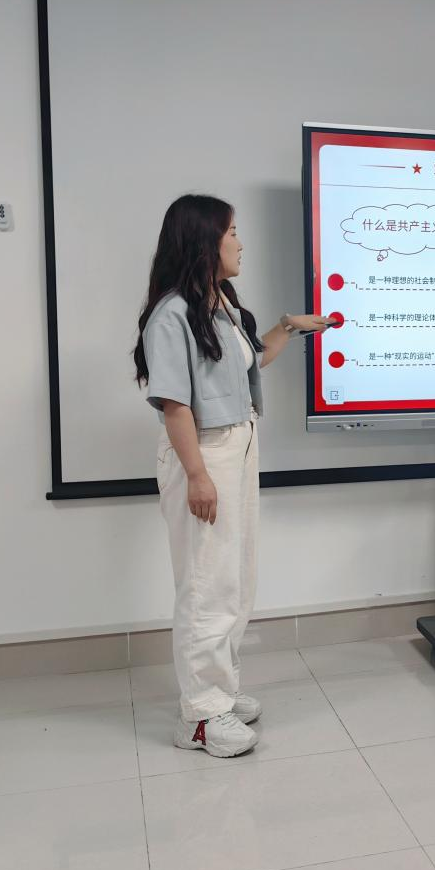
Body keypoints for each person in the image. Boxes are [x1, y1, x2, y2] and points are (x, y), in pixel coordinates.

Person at [132, 194, 331, 757]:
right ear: (203, 241)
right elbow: (175, 404)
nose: (241, 244)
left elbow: (247, 362)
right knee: (206, 586)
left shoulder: (218, 305)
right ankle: (200, 716)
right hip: (204, 454)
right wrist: (198, 476)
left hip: (238, 445)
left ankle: (219, 691)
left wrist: (287, 327)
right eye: (232, 232)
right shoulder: (172, 314)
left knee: (234, 580)